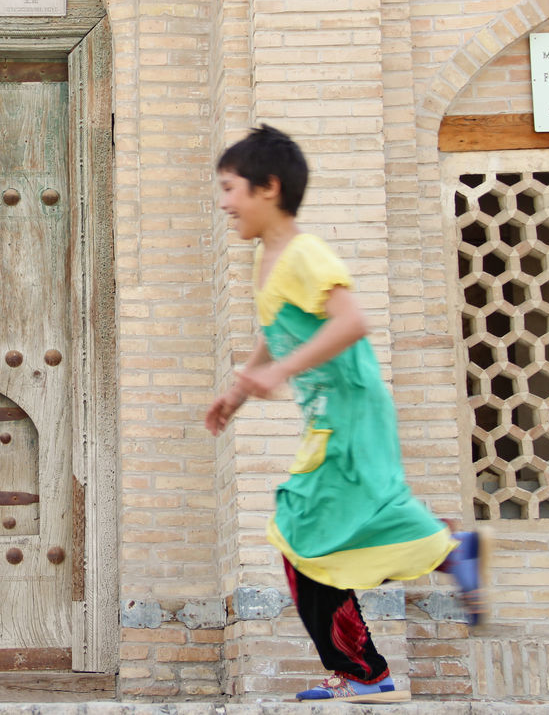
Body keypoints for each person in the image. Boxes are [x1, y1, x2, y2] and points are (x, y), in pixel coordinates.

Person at [205, 124, 489, 704]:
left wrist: (277, 375)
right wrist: (239, 388)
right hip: (329, 416)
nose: (224, 201)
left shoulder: (305, 253)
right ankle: (381, 645)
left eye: (231, 187)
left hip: (351, 412)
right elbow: (278, 330)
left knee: (302, 536)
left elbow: (351, 322)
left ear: (269, 188)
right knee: (310, 539)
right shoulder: (268, 257)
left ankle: (368, 667)